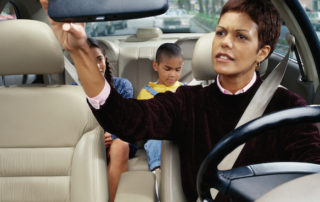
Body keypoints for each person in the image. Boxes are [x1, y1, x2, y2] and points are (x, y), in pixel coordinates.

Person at [40, 0, 320, 201]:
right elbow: (125, 118)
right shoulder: (187, 101)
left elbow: (312, 173)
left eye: (240, 36)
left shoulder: (289, 108)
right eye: (221, 32)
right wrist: (78, 51)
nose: (224, 42)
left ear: (262, 53)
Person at [87, 37, 137, 202]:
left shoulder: (123, 86)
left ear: (105, 60)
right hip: (88, 144)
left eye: (99, 59)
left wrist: (112, 137)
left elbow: (128, 123)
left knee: (121, 145)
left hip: (118, 140)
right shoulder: (73, 91)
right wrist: (96, 141)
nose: (96, 65)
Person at [137, 43, 184, 173]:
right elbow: (144, 123)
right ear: (155, 66)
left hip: (180, 132)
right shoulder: (146, 93)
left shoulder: (185, 90)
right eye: (167, 69)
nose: (173, 75)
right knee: (154, 141)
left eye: (177, 69)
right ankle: (157, 170)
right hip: (158, 134)